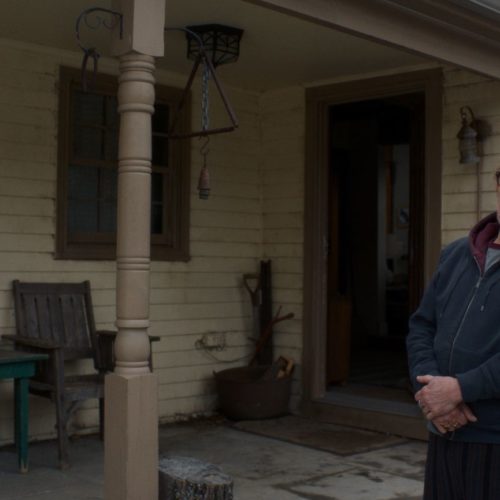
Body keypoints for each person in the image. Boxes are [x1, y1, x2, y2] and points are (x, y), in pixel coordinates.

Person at [407, 169, 500, 500]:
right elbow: (422, 326)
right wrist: (432, 391)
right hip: (444, 431)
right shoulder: (456, 254)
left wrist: (460, 388)